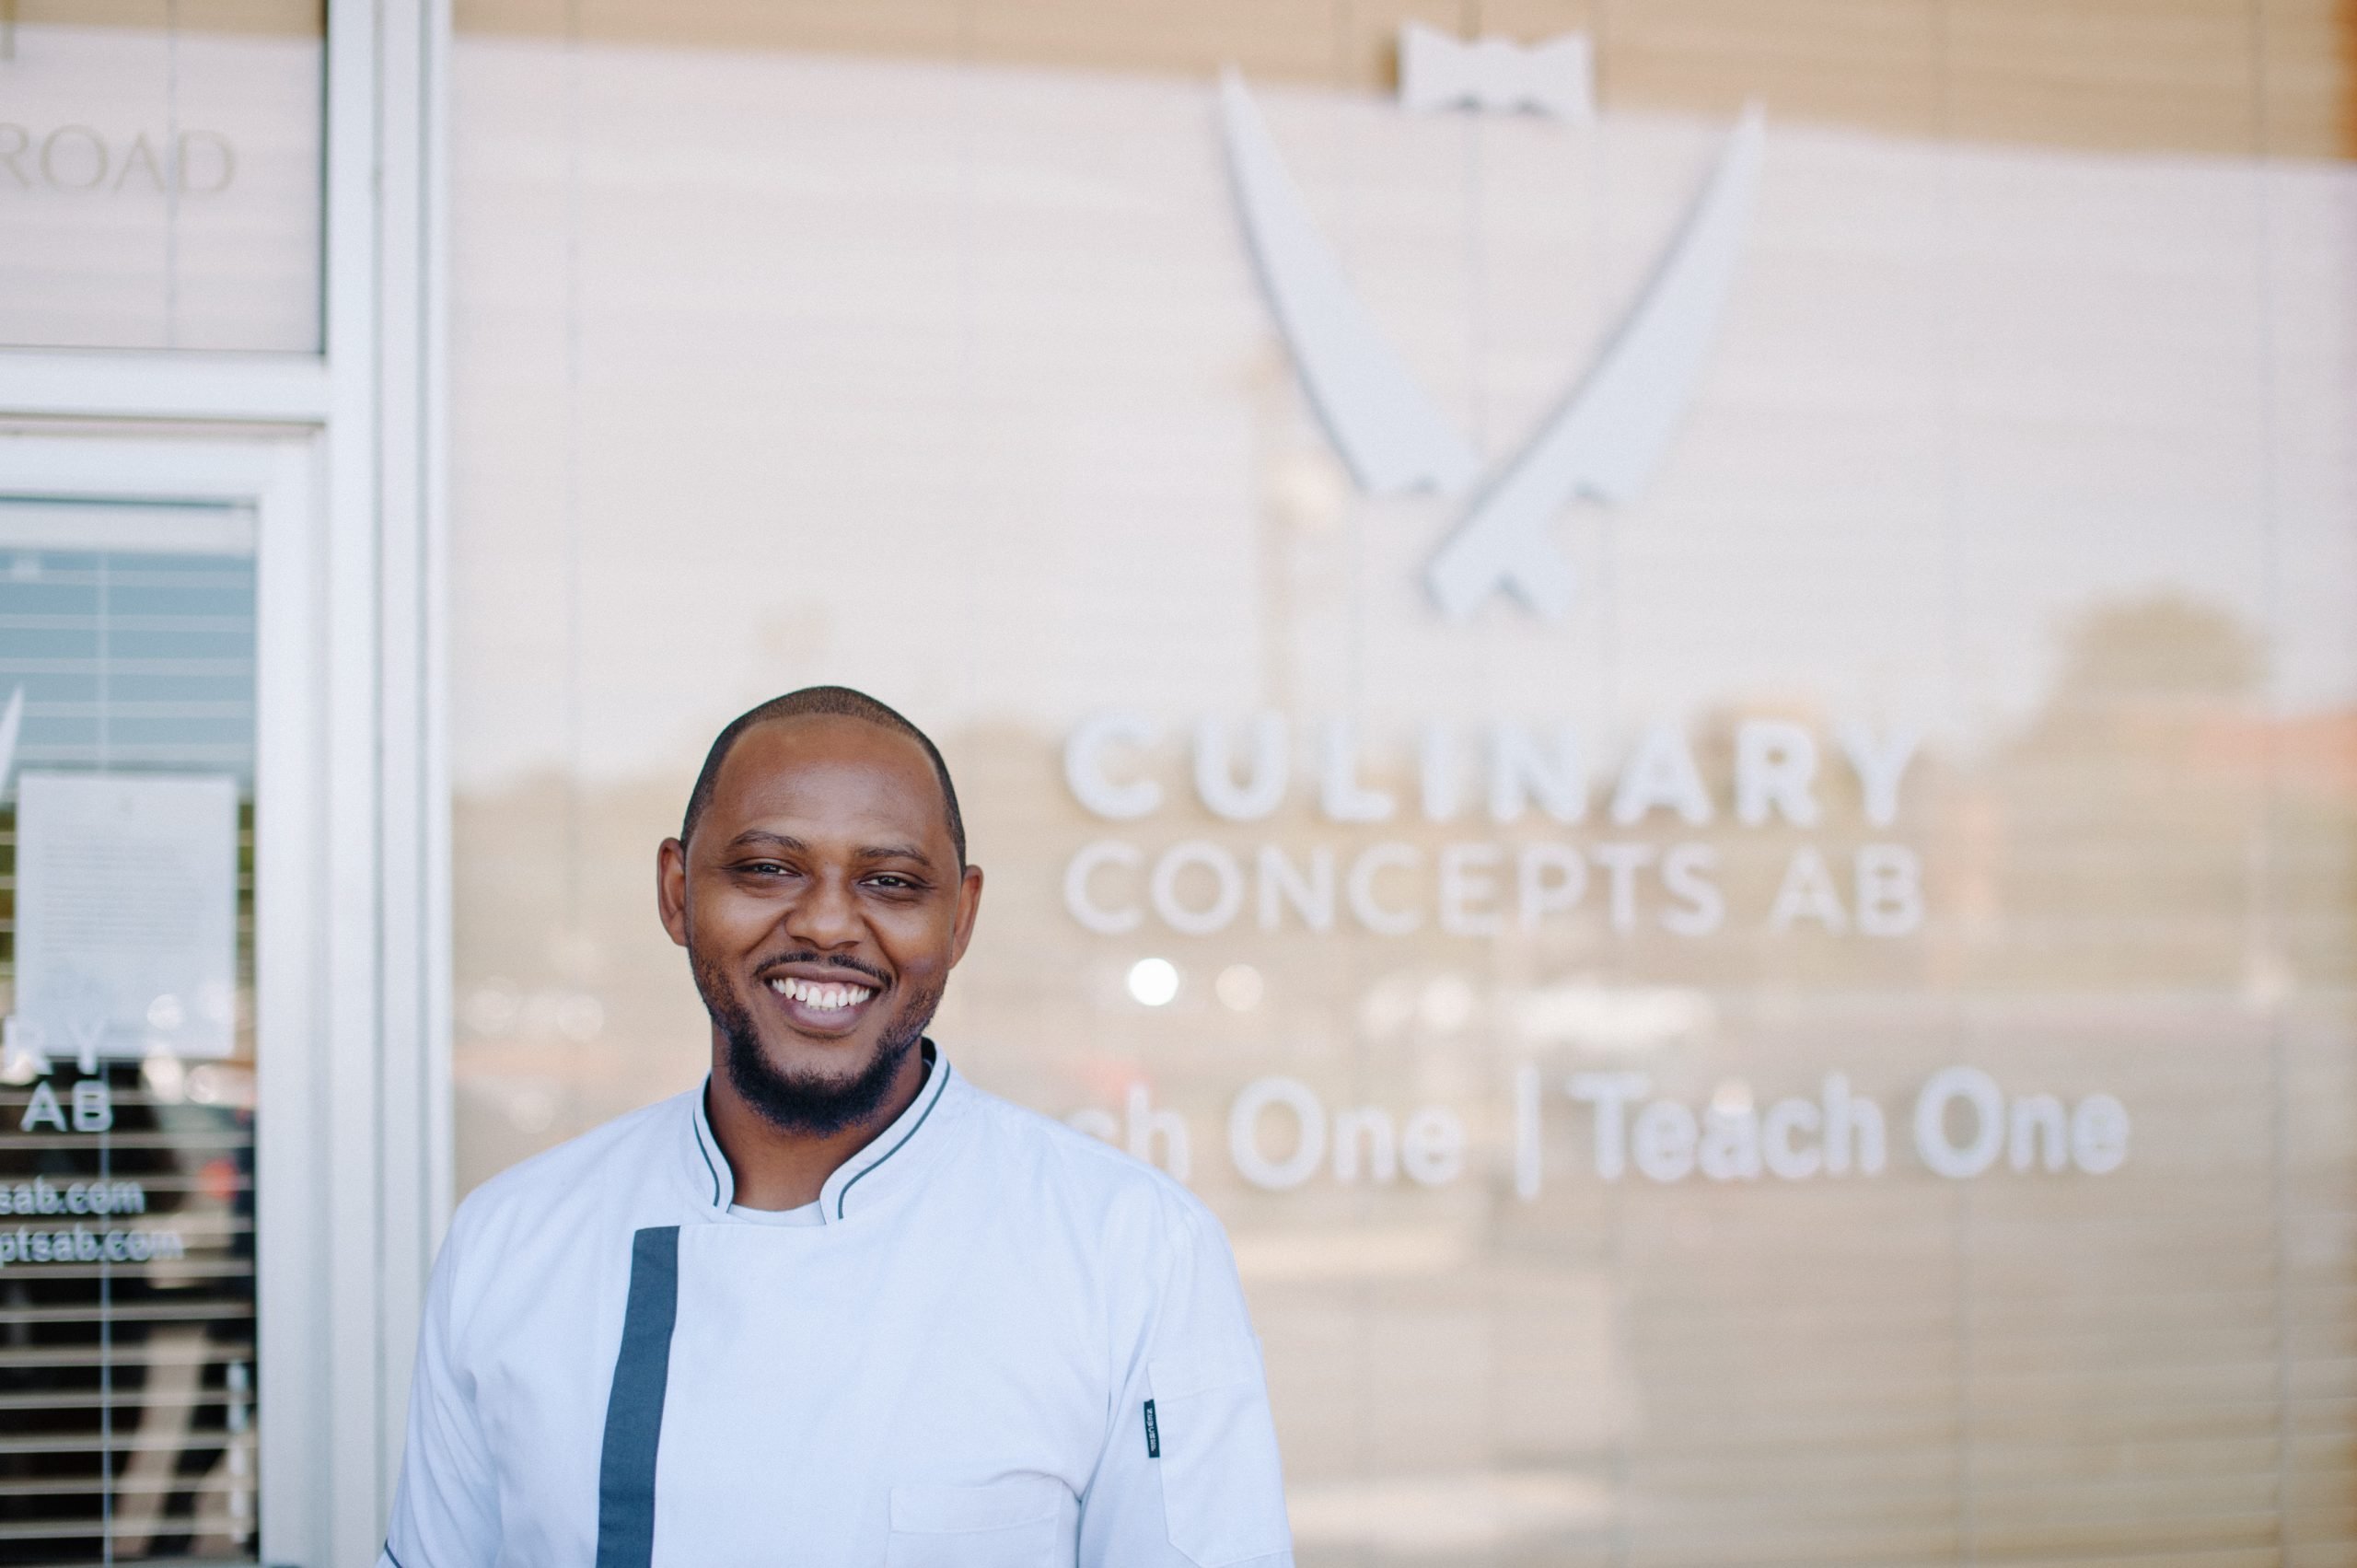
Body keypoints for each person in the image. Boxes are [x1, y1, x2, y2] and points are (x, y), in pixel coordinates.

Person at [381, 686, 1293, 1567]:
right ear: (674, 890)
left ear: (961, 914)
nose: (824, 922)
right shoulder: (513, 1238)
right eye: (768, 868)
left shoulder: (1131, 1250)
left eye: (890, 881)